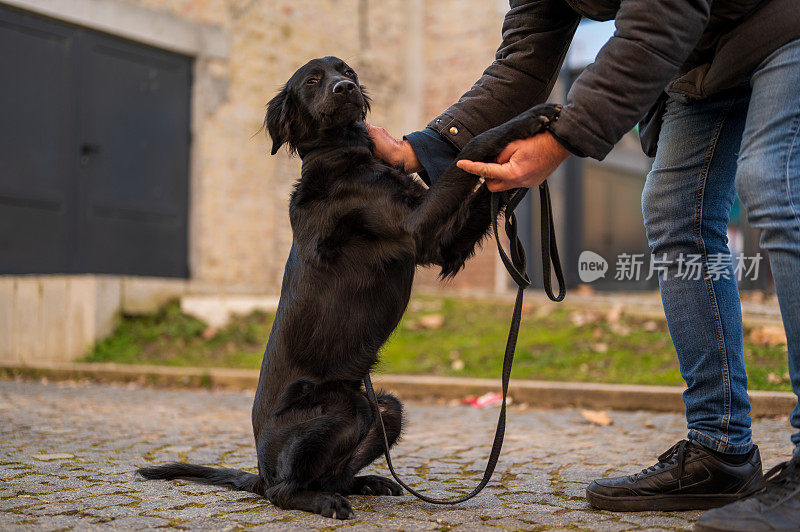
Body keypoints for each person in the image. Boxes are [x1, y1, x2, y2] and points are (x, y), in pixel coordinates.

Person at [368, 1, 800, 530]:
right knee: (674, 213)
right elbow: (525, 60)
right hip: (702, 59)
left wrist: (560, 140)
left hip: (782, 23)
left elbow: (665, 13)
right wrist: (422, 149)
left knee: (773, 185)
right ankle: (721, 451)